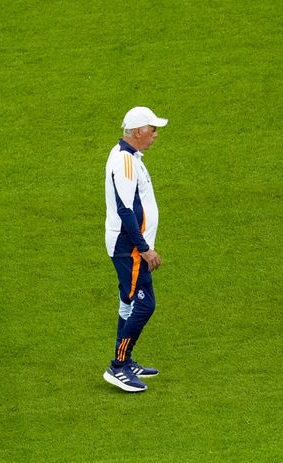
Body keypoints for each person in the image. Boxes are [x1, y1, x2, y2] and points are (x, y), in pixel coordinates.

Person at [103, 106, 168, 391]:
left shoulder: (128, 156)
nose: (155, 135)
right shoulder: (126, 162)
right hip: (129, 246)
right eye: (152, 130)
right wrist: (144, 248)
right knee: (144, 304)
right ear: (138, 132)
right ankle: (118, 365)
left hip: (128, 244)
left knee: (129, 302)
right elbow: (126, 209)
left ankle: (125, 362)